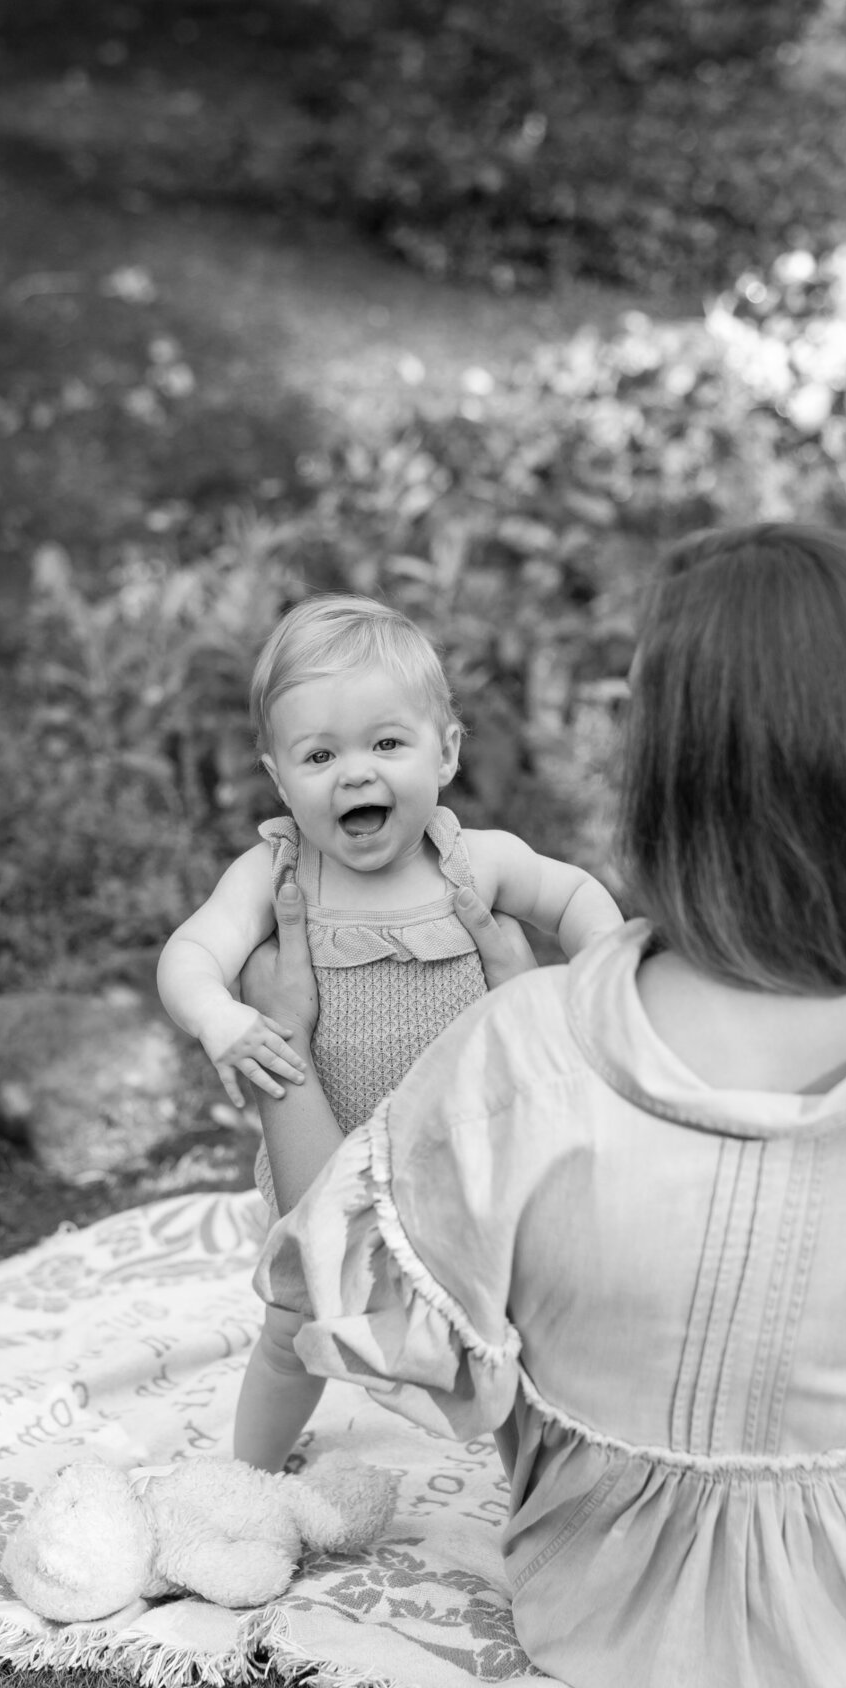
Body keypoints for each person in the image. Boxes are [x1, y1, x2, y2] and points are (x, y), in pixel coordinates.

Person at [243, 523, 846, 1688]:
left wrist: (285, 1054)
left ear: (669, 777)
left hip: (612, 1618)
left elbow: (334, 1278)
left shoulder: (529, 1051)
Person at [157, 596, 623, 1471]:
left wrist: (596, 982)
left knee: (514, 1319)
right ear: (279, 777)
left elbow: (575, 897)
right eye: (320, 755)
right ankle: (246, 1475)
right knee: (296, 1323)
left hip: (470, 1159)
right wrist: (219, 1016)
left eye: (387, 744)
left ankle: (541, 1478)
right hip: (330, 1161)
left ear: (445, 751)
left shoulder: (474, 859)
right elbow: (190, 953)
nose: (355, 774)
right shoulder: (276, 870)